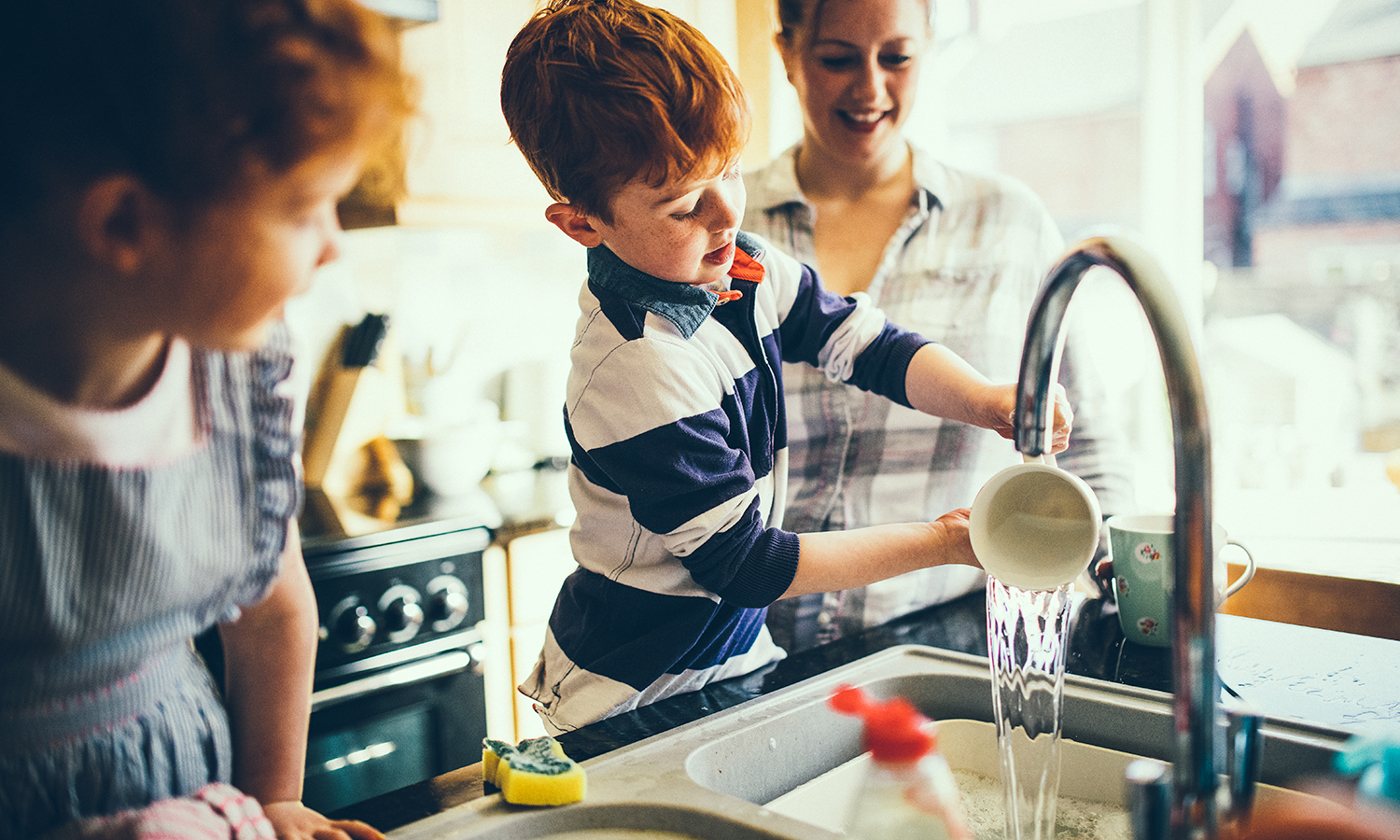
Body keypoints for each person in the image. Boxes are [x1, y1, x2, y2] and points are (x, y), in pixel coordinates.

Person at [498, 0, 1073, 735]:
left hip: (730, 669)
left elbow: (869, 344)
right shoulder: (637, 366)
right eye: (681, 206)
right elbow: (748, 566)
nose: (724, 215)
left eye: (729, 173)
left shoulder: (742, 267)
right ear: (582, 222)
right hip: (631, 699)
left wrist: (988, 399)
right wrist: (948, 543)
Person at [0, 2, 412, 838]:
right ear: (125, 223)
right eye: (305, 210)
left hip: (197, 782)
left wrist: (274, 802)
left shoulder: (233, 367)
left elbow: (270, 607)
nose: (333, 245)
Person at [742, 0, 1136, 652]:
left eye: (896, 57)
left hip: (950, 639)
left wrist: (1120, 572)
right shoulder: (720, 227)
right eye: (836, 58)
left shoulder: (1008, 222)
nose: (870, 89)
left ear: (929, 46)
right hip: (748, 651)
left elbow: (1085, 445)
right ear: (787, 52)